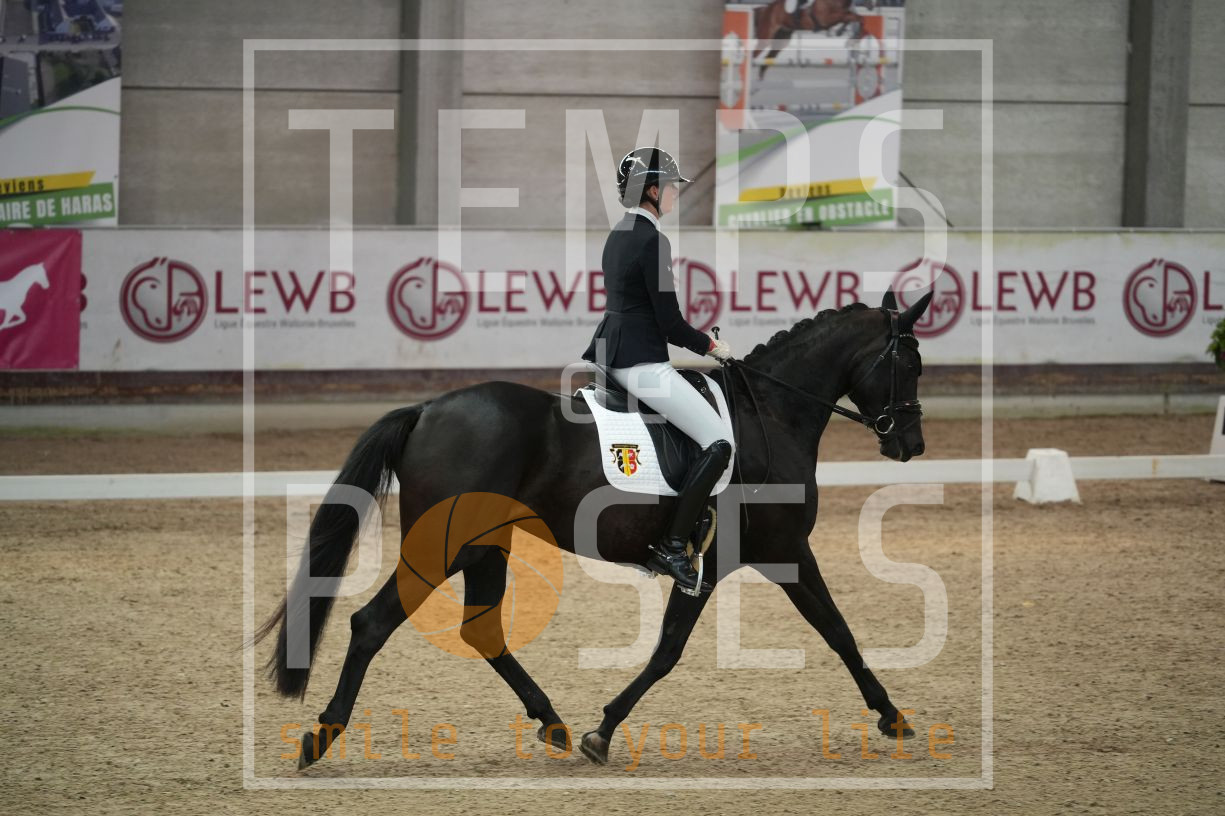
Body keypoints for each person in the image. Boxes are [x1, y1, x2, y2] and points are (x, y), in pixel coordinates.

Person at [580, 147, 735, 594]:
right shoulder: (653, 240)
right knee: (719, 443)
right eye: (670, 186)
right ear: (651, 190)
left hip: (611, 353)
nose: (675, 194)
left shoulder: (618, 233)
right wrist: (711, 346)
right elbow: (669, 322)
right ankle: (670, 546)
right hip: (641, 361)